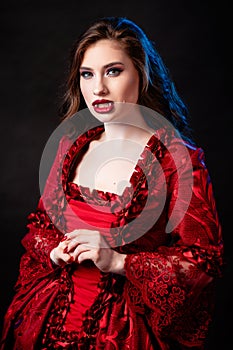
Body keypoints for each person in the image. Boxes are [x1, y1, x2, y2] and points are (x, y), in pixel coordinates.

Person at [0, 16, 224, 349]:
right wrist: (56, 251)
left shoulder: (178, 160)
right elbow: (39, 229)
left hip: (121, 334)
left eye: (113, 71)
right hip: (43, 322)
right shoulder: (70, 147)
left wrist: (120, 262)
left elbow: (202, 262)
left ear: (142, 74)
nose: (98, 88)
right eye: (87, 74)